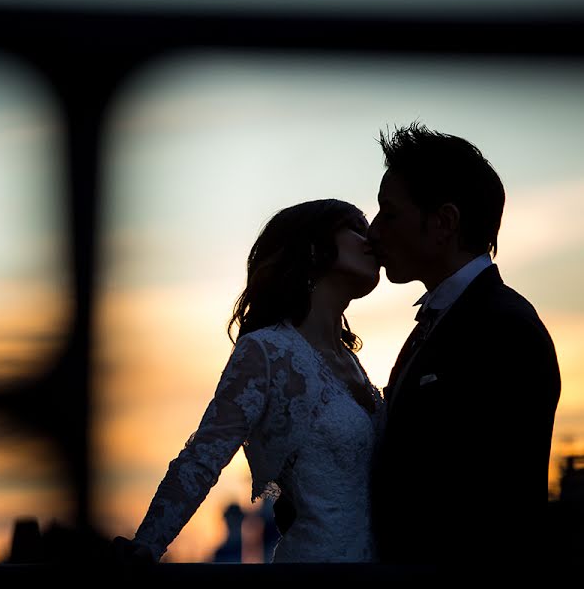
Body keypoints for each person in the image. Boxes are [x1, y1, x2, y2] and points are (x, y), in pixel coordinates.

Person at [113, 198, 385, 564]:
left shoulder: (351, 361)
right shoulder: (267, 352)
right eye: (355, 228)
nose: (372, 240)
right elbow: (202, 457)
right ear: (313, 247)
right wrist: (145, 547)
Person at [365, 123, 561, 569]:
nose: (373, 232)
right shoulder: (435, 323)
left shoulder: (506, 329)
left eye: (388, 213)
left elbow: (493, 504)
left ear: (444, 223)